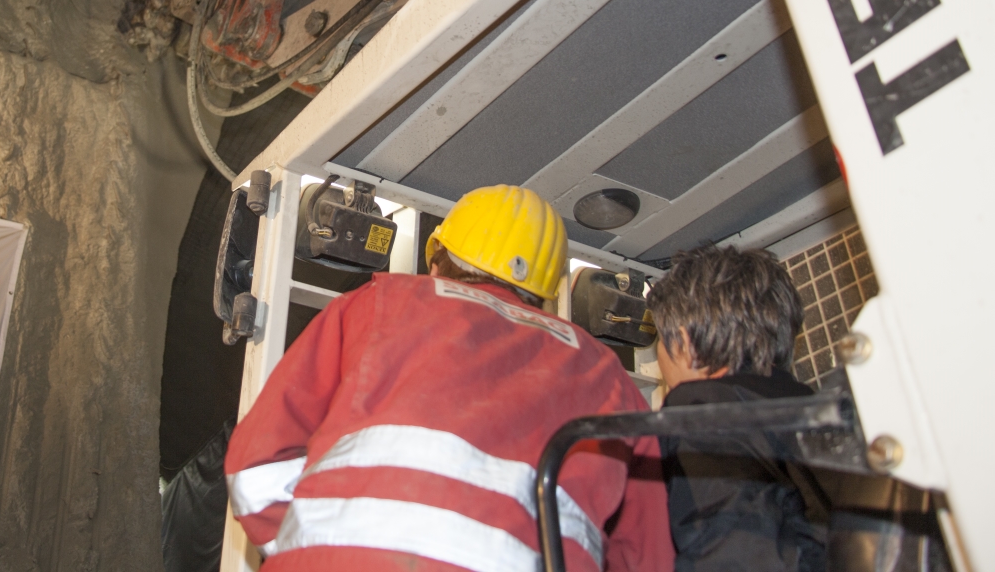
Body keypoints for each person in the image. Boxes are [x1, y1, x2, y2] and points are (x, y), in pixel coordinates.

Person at [224, 184, 674, 572]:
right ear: (545, 293)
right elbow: (646, 554)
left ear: (437, 257)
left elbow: (255, 465)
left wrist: (314, 548)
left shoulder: (378, 304)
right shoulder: (608, 375)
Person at [646, 244, 828, 572]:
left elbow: (732, 555)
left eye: (660, 339)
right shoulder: (821, 414)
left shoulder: (702, 415)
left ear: (685, 344)